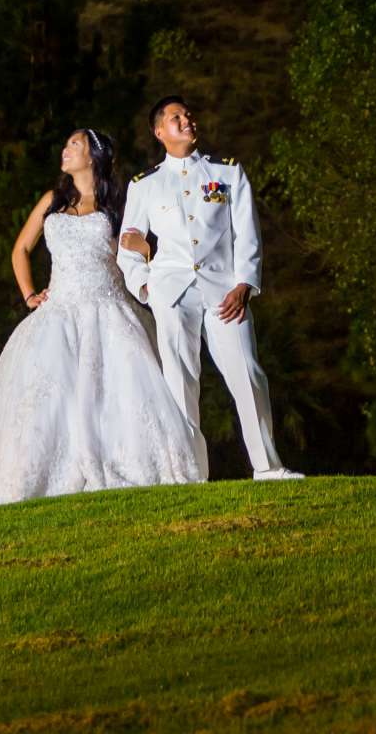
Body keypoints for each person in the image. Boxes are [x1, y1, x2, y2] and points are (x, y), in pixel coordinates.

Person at [0, 128, 206, 515]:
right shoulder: (52, 201)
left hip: (109, 312)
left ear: (93, 156)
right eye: (65, 145)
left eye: (74, 145)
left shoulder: (118, 204)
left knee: (117, 394)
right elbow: (21, 250)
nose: (65, 151)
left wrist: (144, 254)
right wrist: (30, 295)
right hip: (58, 313)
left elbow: (144, 248)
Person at [117, 96, 302, 481]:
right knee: (180, 381)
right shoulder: (145, 185)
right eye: (176, 117)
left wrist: (245, 284)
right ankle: (190, 475)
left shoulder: (228, 173)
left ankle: (267, 467)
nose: (187, 121)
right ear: (159, 131)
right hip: (171, 292)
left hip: (224, 291)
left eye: (188, 115)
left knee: (248, 372)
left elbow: (247, 232)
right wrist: (147, 289)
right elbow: (127, 248)